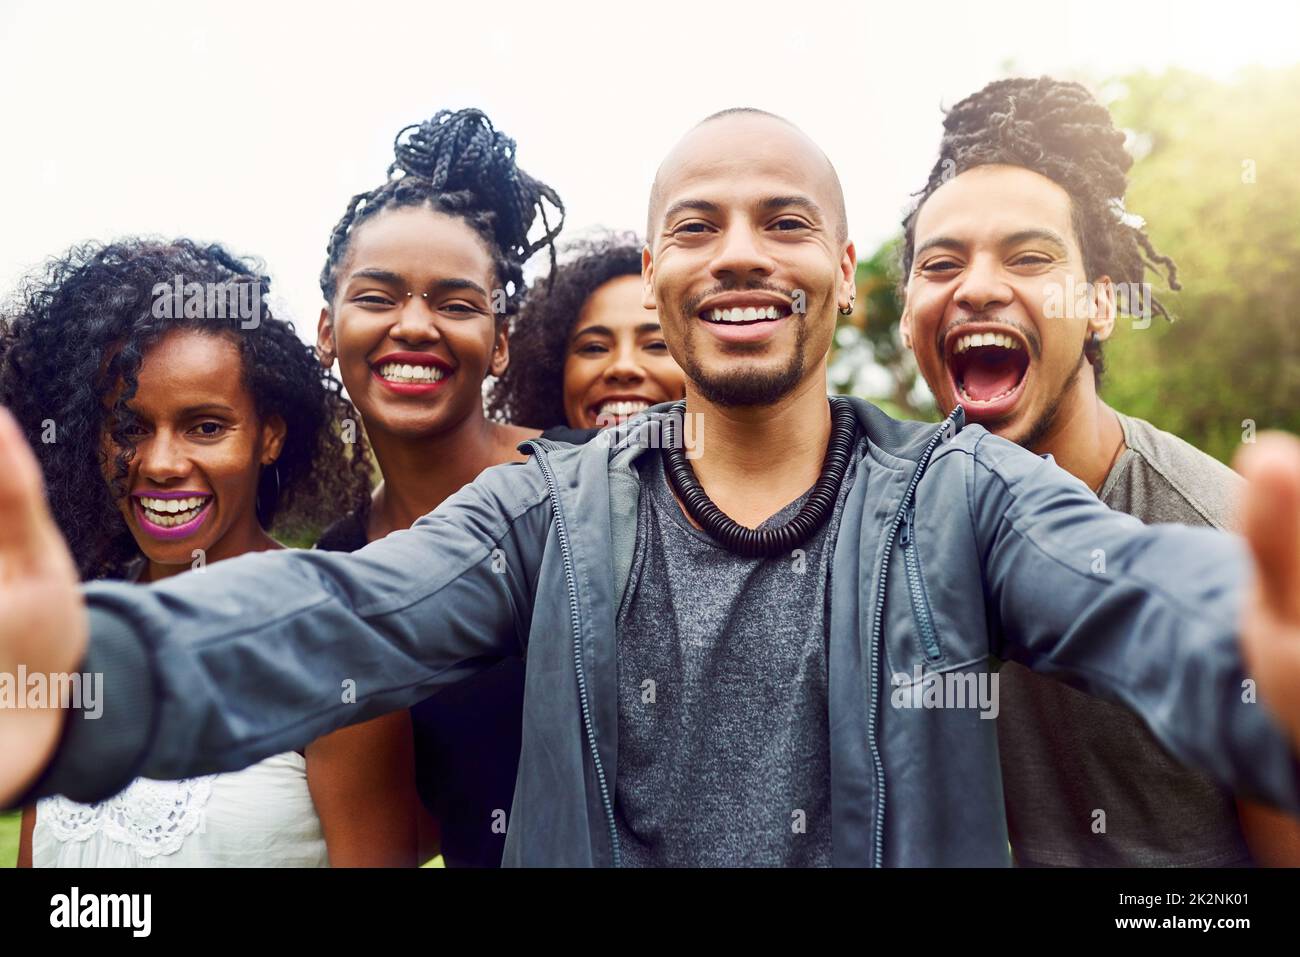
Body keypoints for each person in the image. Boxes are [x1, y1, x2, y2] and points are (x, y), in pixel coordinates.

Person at [5, 109, 1300, 867]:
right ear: (662, 272)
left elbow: (1133, 589)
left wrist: (1247, 646)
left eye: (784, 222)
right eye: (697, 224)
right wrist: (90, 671)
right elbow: (339, 615)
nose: (740, 251)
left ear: (847, 274)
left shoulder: (962, 496)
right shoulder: (544, 509)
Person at [899, 76, 1300, 867]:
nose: (977, 286)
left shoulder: (1223, 543)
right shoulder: (888, 532)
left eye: (1031, 256)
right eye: (941, 263)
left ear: (1101, 305)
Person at [0, 238, 411, 866]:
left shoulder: (332, 638)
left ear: (269, 436)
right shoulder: (71, 630)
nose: (162, 464)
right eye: (131, 428)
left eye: (206, 427)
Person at [313, 107, 565, 866]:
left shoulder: (588, 484)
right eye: (378, 297)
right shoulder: (343, 572)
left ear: (499, 343)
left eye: (455, 303)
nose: (414, 326)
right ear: (328, 332)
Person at [488, 233, 685, 432]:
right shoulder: (517, 463)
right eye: (595, 348)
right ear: (554, 376)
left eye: (657, 345)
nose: (623, 367)